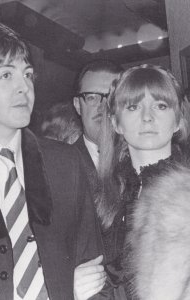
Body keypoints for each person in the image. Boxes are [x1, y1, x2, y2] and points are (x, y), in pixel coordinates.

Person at [0, 22, 106, 300]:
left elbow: (93, 271)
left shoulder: (65, 163)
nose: (24, 87)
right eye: (6, 75)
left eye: (28, 74)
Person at [97, 64, 190, 299]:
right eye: (133, 106)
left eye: (161, 106)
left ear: (178, 119)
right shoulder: (99, 196)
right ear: (116, 123)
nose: (147, 117)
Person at [73, 60, 124, 300]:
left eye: (111, 96)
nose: (103, 107)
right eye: (92, 97)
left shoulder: (146, 164)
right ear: (77, 105)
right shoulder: (54, 168)